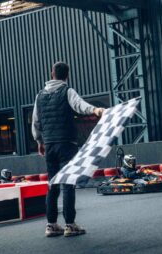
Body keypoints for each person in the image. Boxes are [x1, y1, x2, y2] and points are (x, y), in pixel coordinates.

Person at [32, 62, 104, 237]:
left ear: (52, 74)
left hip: (49, 145)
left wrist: (39, 141)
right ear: (67, 75)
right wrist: (96, 110)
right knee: (68, 184)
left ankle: (51, 225)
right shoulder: (67, 91)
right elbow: (80, 106)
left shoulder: (39, 96)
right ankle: (70, 225)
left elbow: (36, 122)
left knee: (52, 184)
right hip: (66, 144)